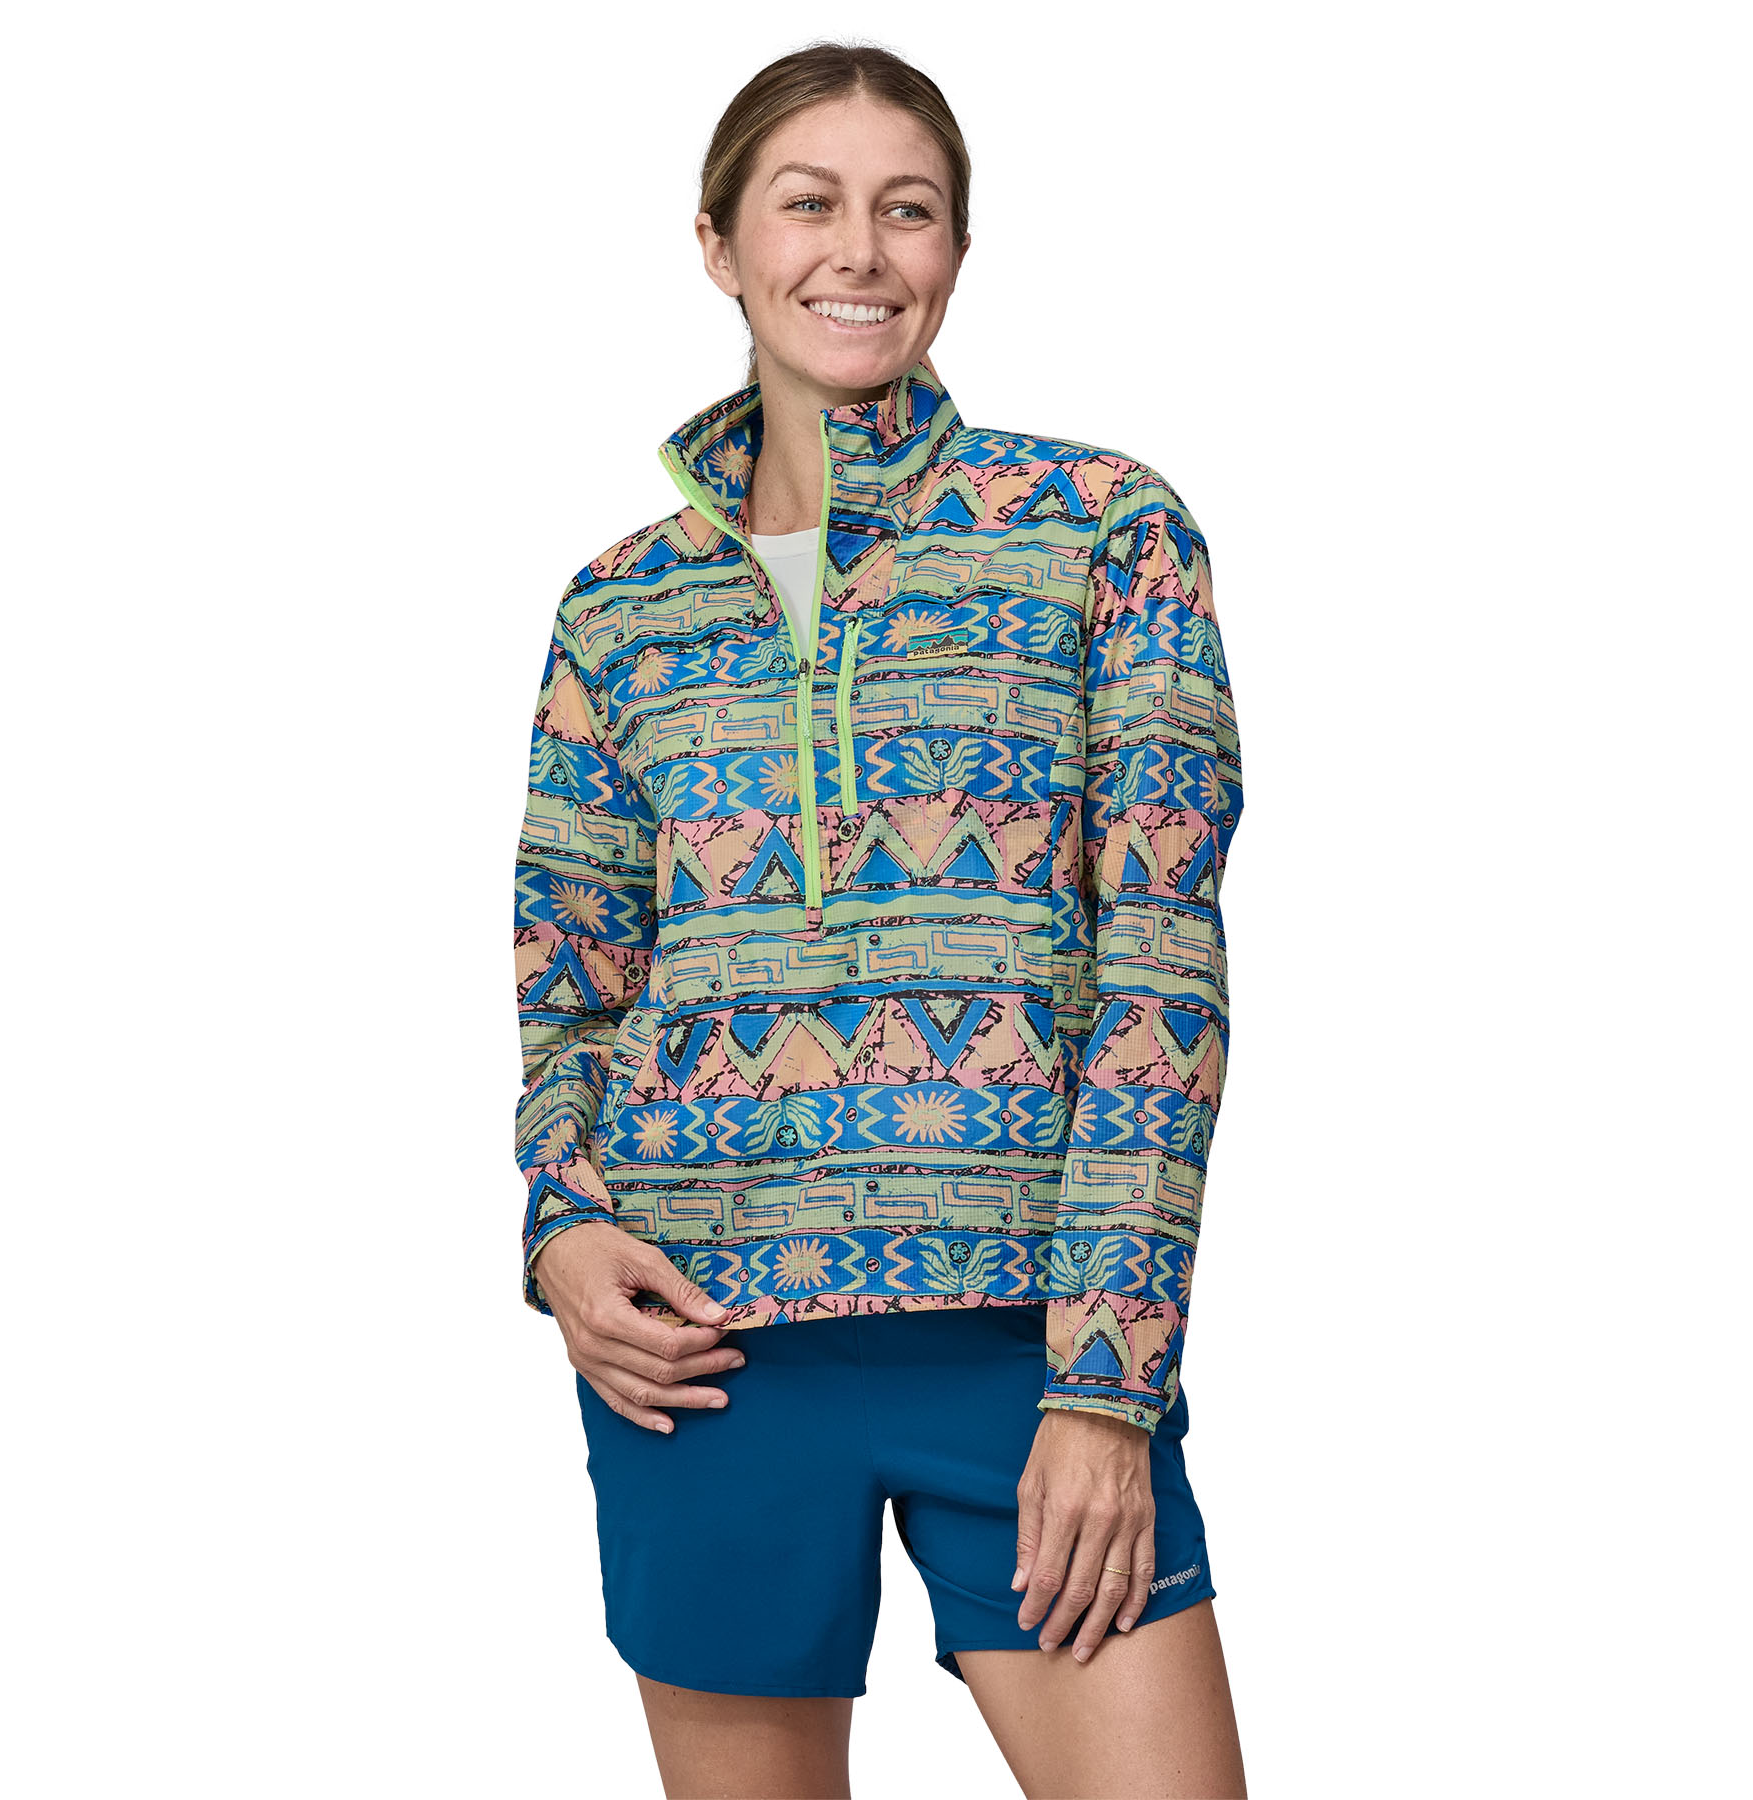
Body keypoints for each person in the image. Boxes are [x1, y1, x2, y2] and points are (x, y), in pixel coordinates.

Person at [513, 41, 1249, 1798]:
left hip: (1028, 1345)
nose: (860, 250)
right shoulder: (617, 607)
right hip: (701, 1356)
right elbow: (572, 991)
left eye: (908, 211)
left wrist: (1107, 1384)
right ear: (719, 244)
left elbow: (1162, 967)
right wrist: (561, 1232)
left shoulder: (1102, 531)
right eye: (810, 203)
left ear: (956, 253)